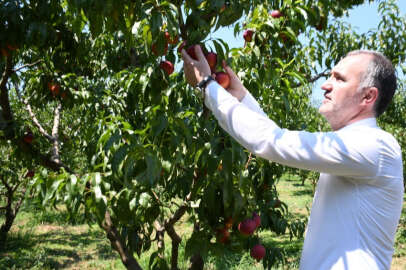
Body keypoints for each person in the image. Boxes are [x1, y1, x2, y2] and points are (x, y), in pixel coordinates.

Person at [181, 46, 404, 270]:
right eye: (330, 76)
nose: (325, 85)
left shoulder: (374, 145)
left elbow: (273, 142)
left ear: (368, 96)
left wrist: (207, 85)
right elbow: (278, 139)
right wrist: (241, 97)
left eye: (339, 79)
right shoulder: (356, 144)